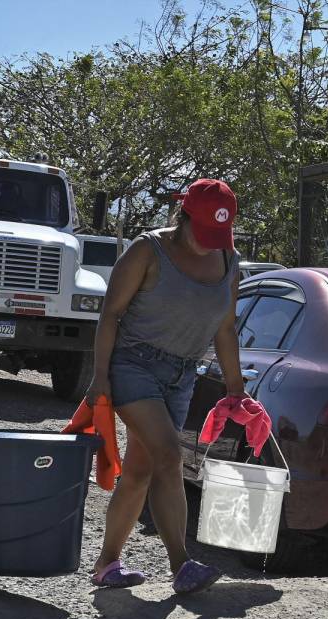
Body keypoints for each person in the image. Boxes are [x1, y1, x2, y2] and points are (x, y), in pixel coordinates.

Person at [85, 179, 245, 594]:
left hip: (182, 375)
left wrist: (235, 387)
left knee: (141, 471)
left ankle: (107, 564)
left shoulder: (229, 260)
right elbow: (110, 315)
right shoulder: (147, 250)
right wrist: (100, 377)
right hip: (133, 364)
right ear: (183, 215)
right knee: (170, 456)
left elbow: (225, 328)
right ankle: (182, 565)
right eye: (204, 232)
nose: (211, 244)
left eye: (219, 236)